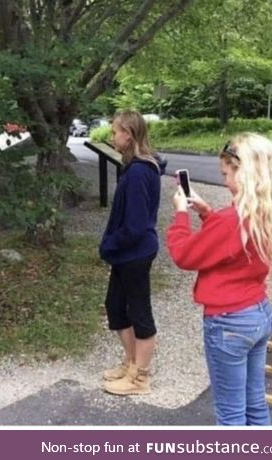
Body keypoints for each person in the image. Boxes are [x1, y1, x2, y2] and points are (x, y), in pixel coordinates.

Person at [166, 133, 272, 426]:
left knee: (230, 415)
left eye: (226, 174)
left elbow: (184, 255)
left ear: (245, 172)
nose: (224, 181)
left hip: (229, 323)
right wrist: (207, 212)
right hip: (259, 313)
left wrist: (181, 215)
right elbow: (237, 246)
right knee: (254, 405)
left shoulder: (231, 221)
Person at [99, 110, 166, 396]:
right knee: (115, 307)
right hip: (127, 253)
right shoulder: (135, 167)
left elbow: (136, 226)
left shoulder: (139, 172)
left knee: (139, 312)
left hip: (135, 253)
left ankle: (141, 379)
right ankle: (131, 364)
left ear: (128, 134)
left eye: (115, 131)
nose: (112, 136)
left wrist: (109, 244)